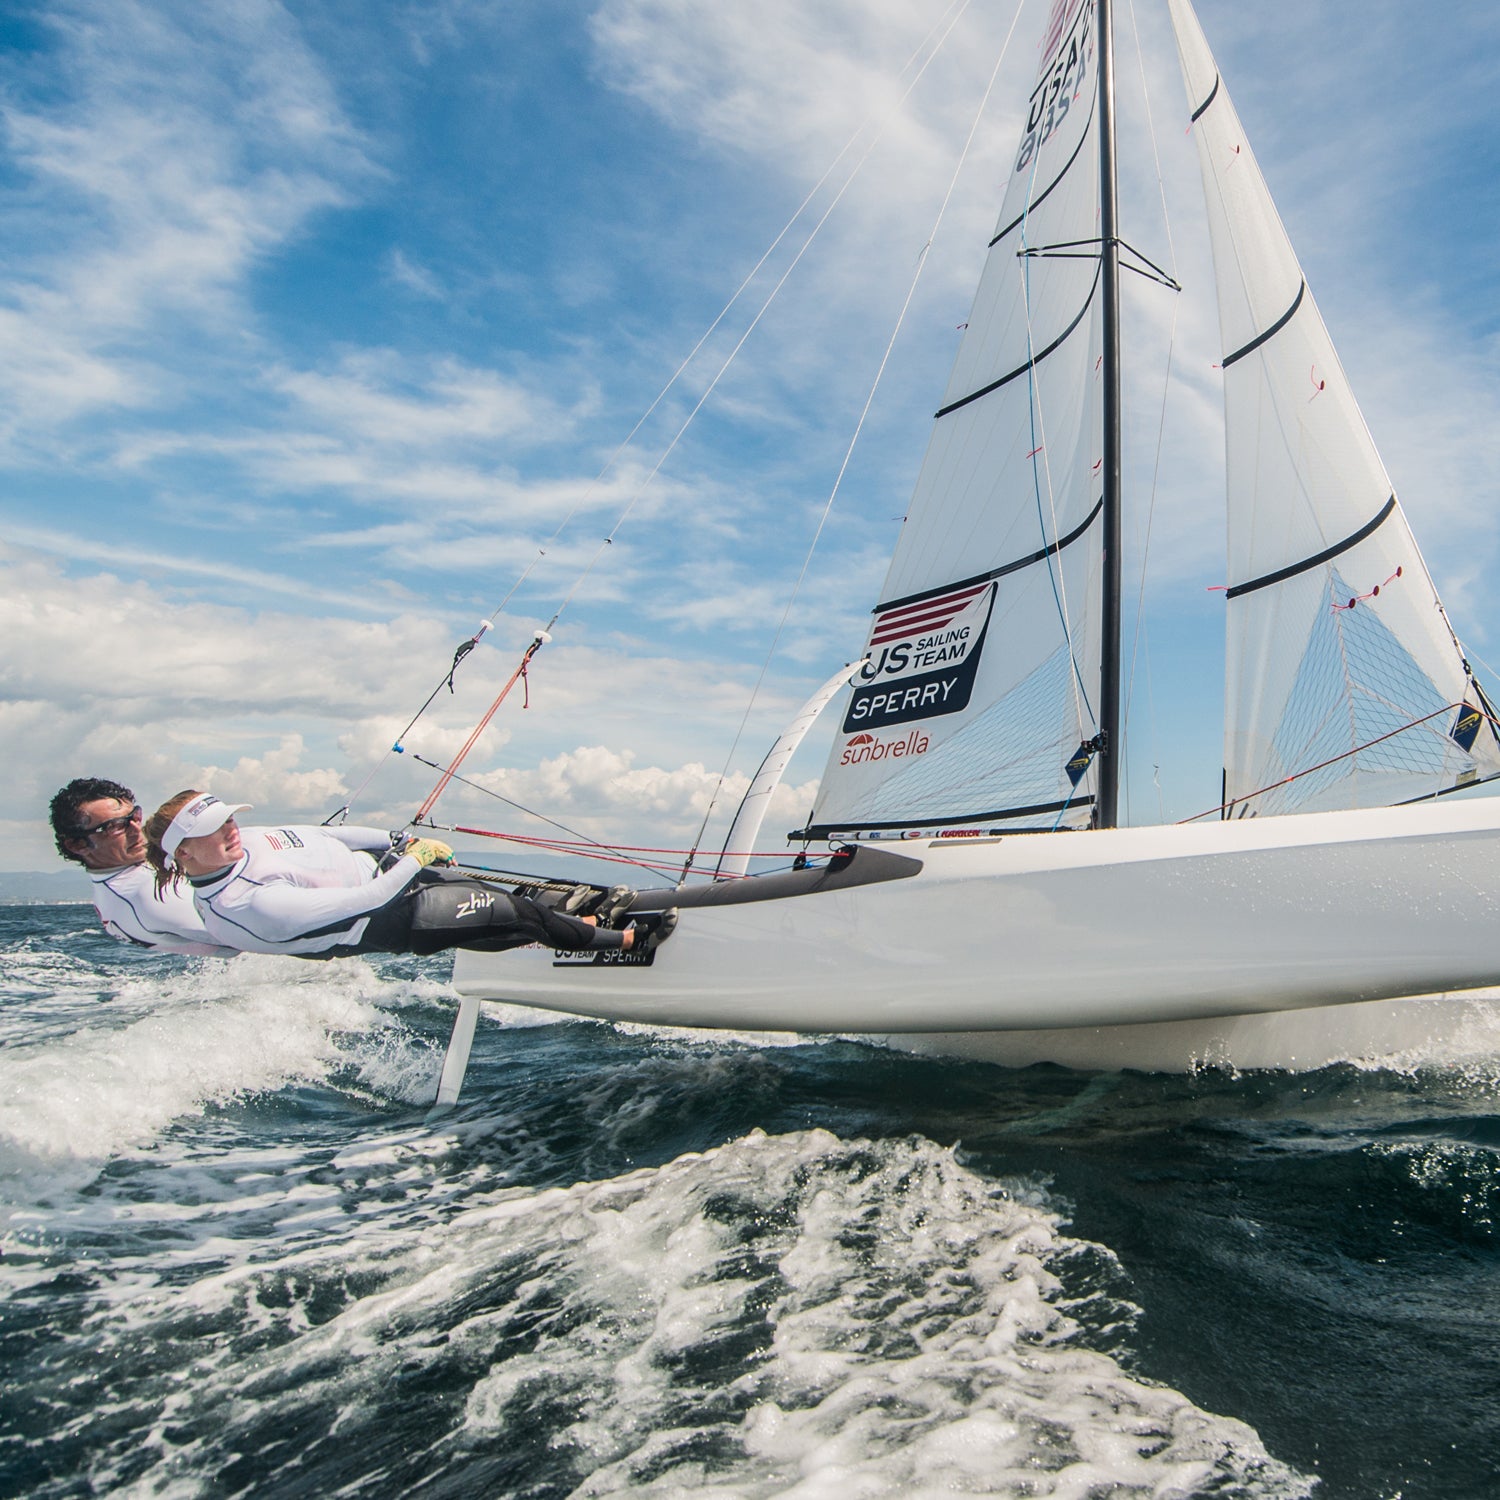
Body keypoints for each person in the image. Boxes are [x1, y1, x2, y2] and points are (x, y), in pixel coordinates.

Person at [143, 791, 675, 960]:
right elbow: (366, 903)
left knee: (500, 908)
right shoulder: (243, 904)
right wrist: (416, 859)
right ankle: (625, 939)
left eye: (228, 818)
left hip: (393, 875)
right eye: (214, 829)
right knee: (506, 912)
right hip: (386, 919)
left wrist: (399, 843)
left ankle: (569, 928)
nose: (230, 830)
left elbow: (333, 836)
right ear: (183, 856)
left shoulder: (247, 842)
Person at [49, 777, 235, 956]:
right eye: (114, 826)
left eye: (135, 816)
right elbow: (245, 932)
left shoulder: (113, 890)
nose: (137, 830)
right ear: (77, 845)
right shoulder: (147, 894)